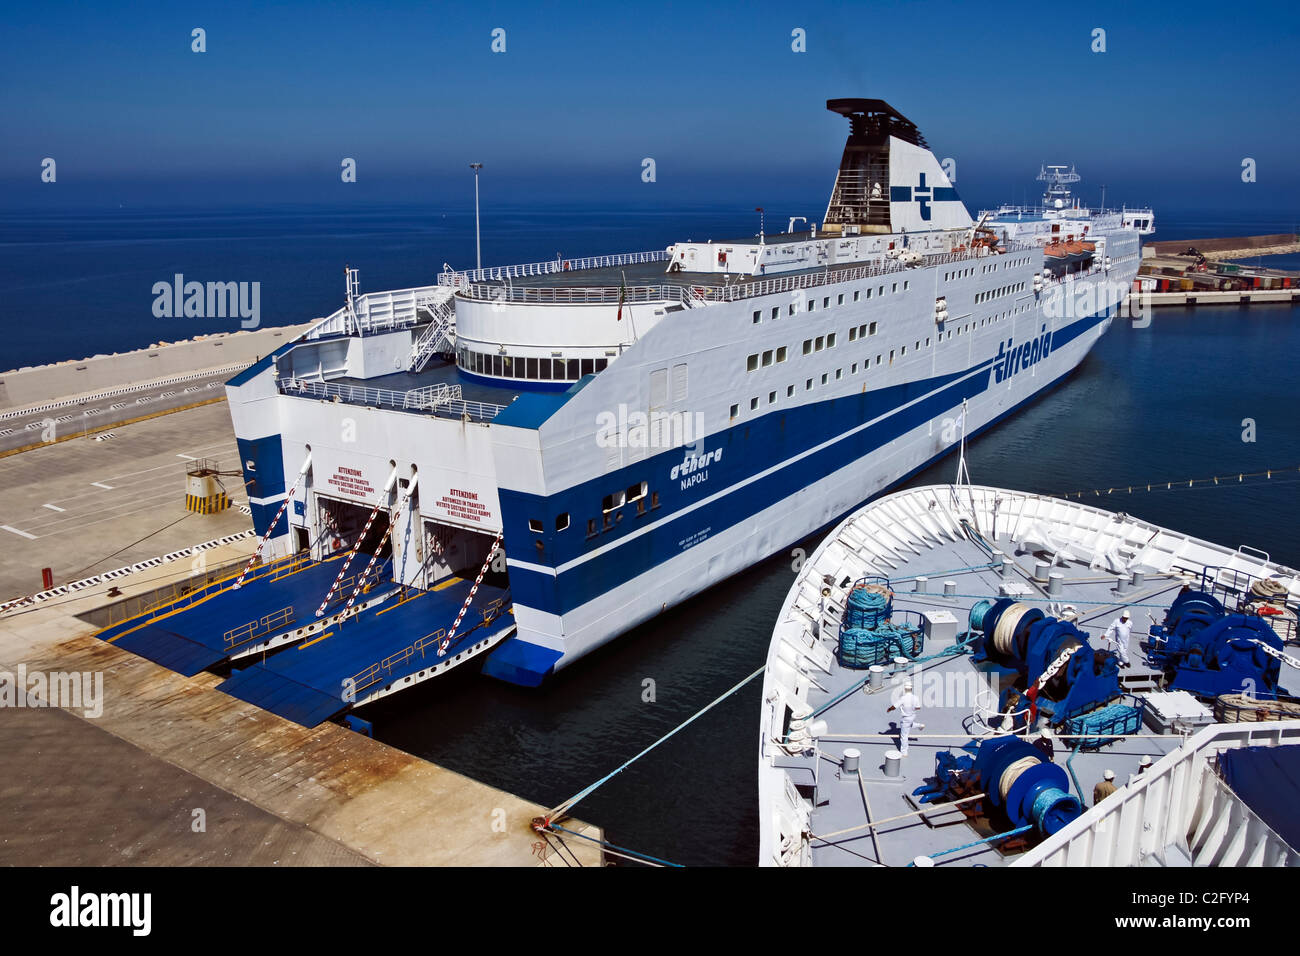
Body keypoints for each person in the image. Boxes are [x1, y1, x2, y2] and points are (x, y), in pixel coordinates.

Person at [887, 680, 924, 756]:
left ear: (905, 689)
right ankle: (919, 726)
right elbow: (918, 707)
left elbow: (895, 706)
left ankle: (904, 752)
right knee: (909, 724)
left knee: (904, 736)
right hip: (912, 716)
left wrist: (889, 709)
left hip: (906, 718)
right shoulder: (915, 698)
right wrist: (911, 708)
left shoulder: (903, 698)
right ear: (911, 689)